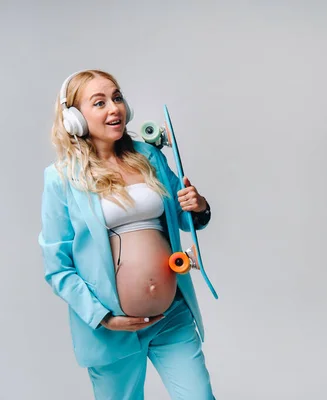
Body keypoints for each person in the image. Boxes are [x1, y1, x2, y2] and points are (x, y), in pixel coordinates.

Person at [38, 69, 217, 399]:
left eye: (117, 98)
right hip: (112, 329)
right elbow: (57, 267)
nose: (114, 108)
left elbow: (186, 217)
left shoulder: (149, 156)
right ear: (74, 118)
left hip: (171, 315)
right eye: (100, 102)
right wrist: (103, 317)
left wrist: (198, 205)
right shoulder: (60, 178)